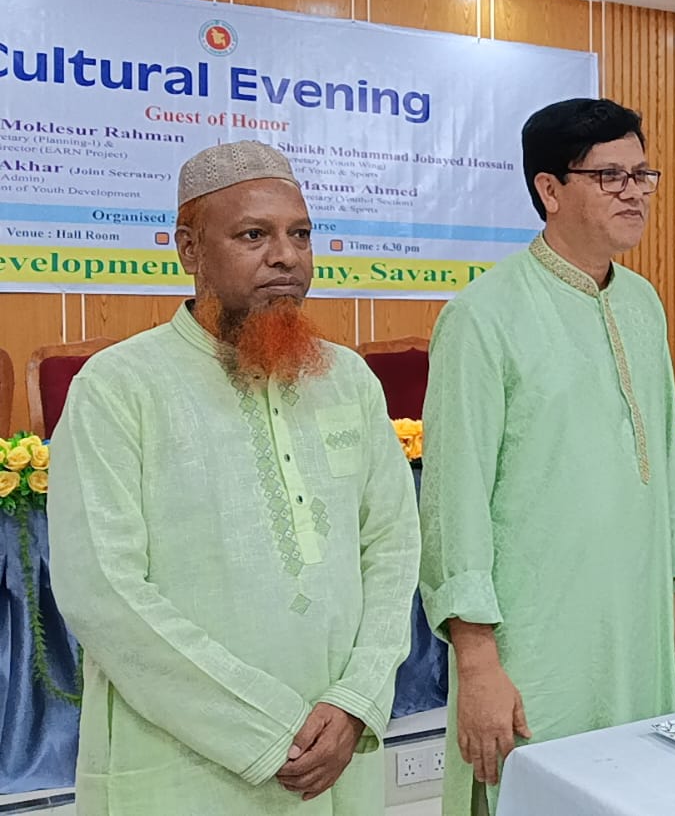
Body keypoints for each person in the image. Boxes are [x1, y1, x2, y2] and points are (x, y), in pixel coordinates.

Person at [48, 140, 421, 815]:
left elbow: (393, 548)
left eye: (300, 235)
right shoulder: (118, 387)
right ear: (189, 250)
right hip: (185, 765)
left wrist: (357, 699)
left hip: (335, 754)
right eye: (254, 235)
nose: (286, 257)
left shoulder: (347, 379)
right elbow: (103, 592)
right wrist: (264, 729)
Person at [419, 98, 675, 814]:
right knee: (536, 788)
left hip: (637, 619)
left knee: (637, 785)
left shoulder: (642, 303)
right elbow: (452, 500)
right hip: (537, 632)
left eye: (642, 174)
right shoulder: (482, 316)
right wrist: (477, 659)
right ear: (549, 188)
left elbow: (665, 463)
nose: (634, 192)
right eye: (610, 176)